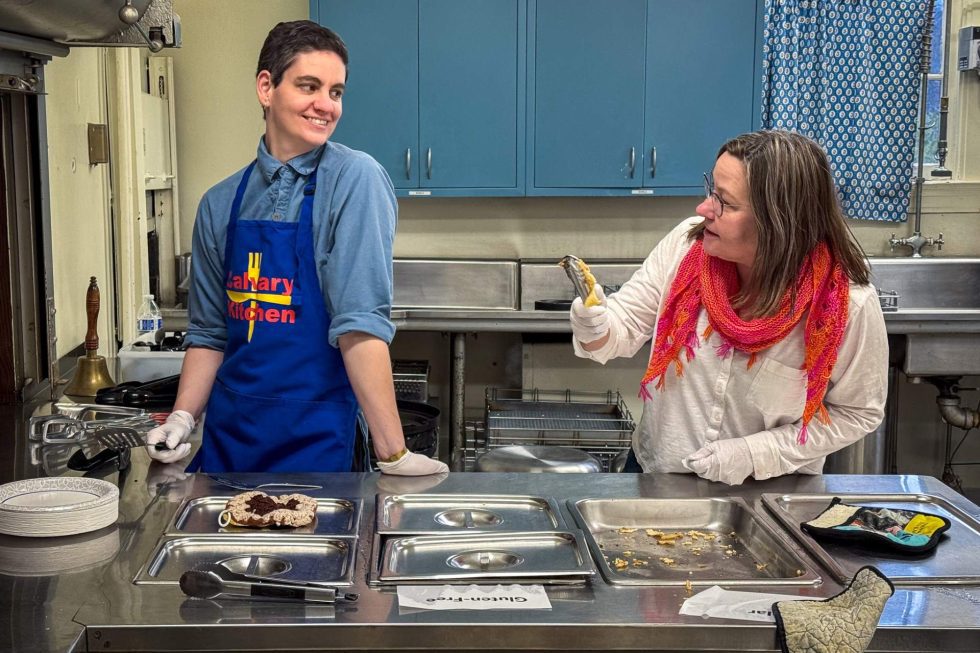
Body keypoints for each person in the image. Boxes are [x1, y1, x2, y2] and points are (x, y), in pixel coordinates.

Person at [145, 20, 447, 476]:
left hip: (319, 438)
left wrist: (393, 452)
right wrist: (182, 418)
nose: (326, 105)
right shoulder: (219, 202)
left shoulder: (355, 180)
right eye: (310, 86)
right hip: (231, 440)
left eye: (336, 92)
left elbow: (359, 325)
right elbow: (209, 334)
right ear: (266, 88)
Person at [570, 130, 887, 485]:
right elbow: (622, 328)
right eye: (711, 190)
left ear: (778, 222)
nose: (703, 209)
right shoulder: (685, 246)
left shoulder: (847, 304)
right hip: (659, 476)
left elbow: (857, 412)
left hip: (769, 493)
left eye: (726, 202)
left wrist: (756, 453)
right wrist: (596, 325)